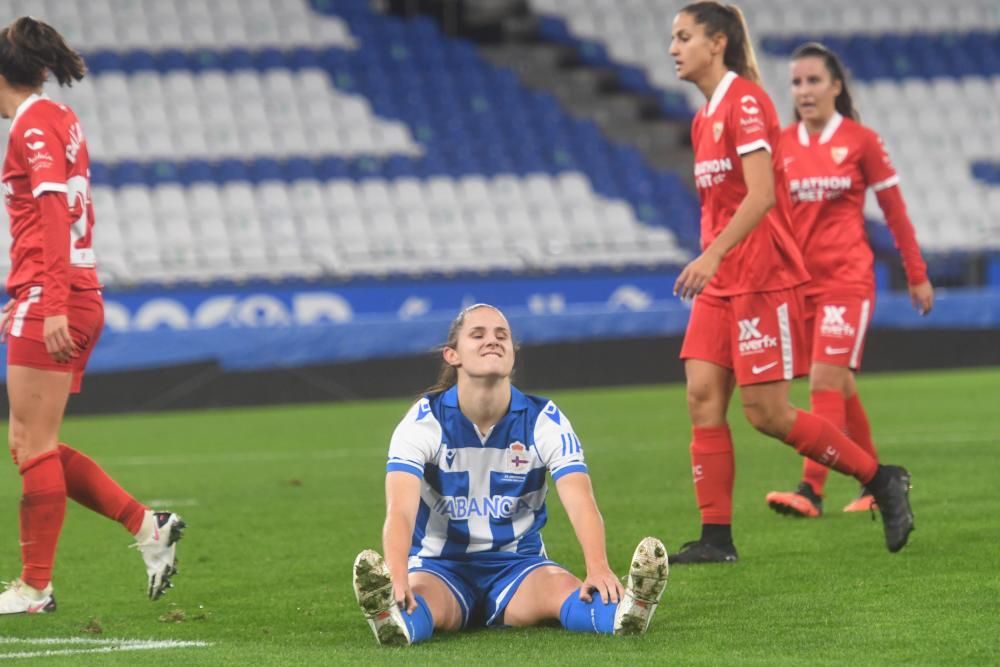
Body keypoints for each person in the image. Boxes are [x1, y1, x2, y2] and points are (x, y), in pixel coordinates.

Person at [666, 1, 914, 564]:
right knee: (702, 398)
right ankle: (716, 539)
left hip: (760, 278)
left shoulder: (747, 102)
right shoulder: (703, 117)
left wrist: (711, 256)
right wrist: (711, 264)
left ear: (717, 43)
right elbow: (719, 203)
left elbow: (761, 196)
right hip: (722, 281)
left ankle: (881, 479)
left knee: (767, 415)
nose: (673, 49)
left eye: (683, 37)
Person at [0, 17, 184, 614]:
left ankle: (35, 587)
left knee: (32, 444)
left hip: (57, 296)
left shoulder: (29, 127)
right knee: (34, 442)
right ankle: (144, 523)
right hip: (71, 289)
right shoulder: (60, 118)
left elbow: (53, 211)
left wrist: (49, 300)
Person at [351, 304, 668, 646]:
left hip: (518, 567)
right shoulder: (423, 421)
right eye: (478, 334)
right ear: (452, 355)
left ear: (513, 356)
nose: (493, 341)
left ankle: (626, 613)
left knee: (568, 590)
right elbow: (400, 509)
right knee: (416, 599)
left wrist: (598, 566)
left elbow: (579, 498)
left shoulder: (544, 419)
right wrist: (398, 574)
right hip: (440, 566)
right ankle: (392, 616)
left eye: (502, 335)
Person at [765, 43, 934, 518]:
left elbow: (895, 212)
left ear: (836, 86)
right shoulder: (780, 144)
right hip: (801, 285)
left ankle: (810, 489)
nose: (804, 90)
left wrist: (916, 274)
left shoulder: (860, 140)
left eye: (814, 80)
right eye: (796, 82)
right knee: (840, 386)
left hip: (848, 280)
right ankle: (875, 482)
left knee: (824, 379)